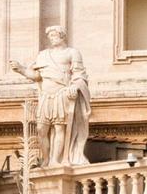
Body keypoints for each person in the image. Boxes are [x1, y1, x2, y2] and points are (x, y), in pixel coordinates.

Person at [10, 26, 91, 166]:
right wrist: (21, 70)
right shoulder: (43, 55)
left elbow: (79, 74)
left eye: (54, 35)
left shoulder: (72, 53)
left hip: (61, 94)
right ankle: (46, 158)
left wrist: (74, 86)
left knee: (60, 128)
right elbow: (37, 76)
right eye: (50, 36)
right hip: (45, 96)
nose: (52, 38)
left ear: (62, 36)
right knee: (41, 129)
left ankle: (54, 160)